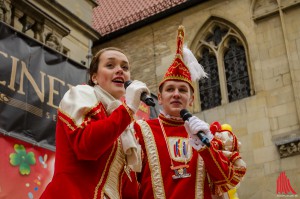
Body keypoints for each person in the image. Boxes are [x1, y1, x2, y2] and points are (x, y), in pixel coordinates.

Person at [133, 26, 247, 199]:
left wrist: (207, 147)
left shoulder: (209, 135)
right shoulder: (140, 131)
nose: (176, 94)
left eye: (183, 90)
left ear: (192, 99)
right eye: (170, 89)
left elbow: (225, 181)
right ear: (160, 98)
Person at [40, 47, 148, 199]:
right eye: (110, 65)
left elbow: (128, 188)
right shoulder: (82, 94)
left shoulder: (126, 124)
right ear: (94, 77)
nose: (119, 71)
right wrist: (128, 109)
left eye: (125, 67)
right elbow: (86, 146)